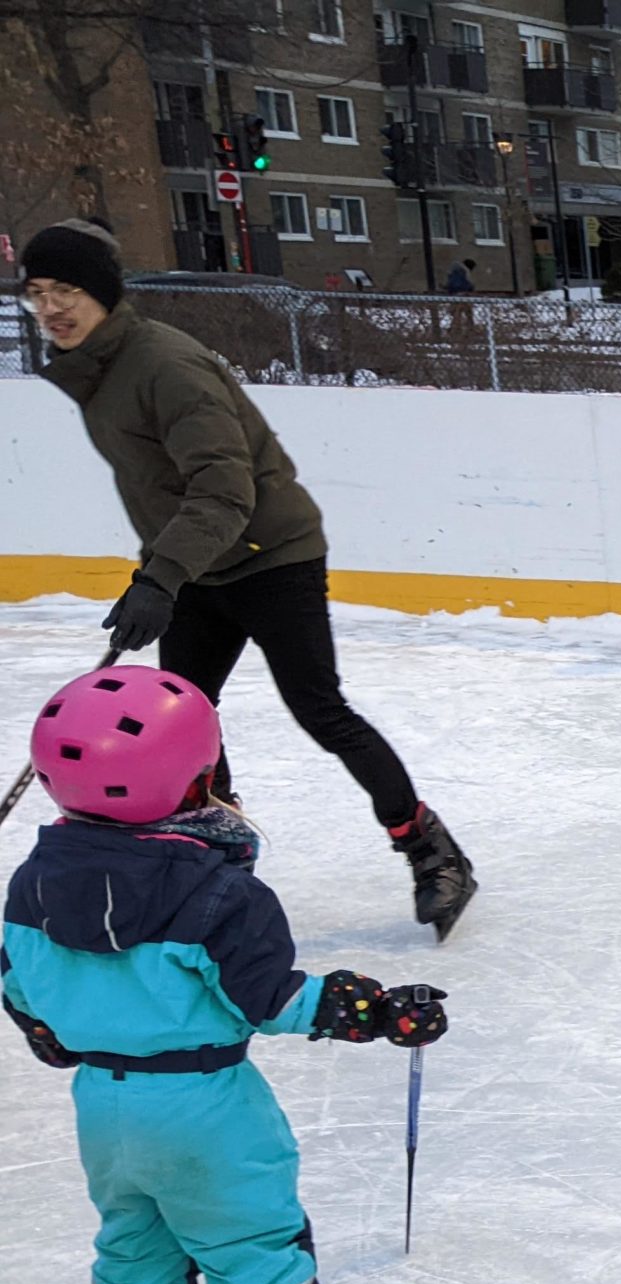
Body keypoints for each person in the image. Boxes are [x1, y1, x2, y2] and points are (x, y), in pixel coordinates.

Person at [3, 667, 448, 1284]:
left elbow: (22, 987)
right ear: (199, 776)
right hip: (206, 1108)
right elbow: (269, 999)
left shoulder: (32, 883)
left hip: (103, 1107)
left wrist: (51, 1035)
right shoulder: (219, 893)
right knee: (249, 1241)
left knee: (134, 1240)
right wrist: (378, 1010)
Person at [21, 221, 477, 940]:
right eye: (37, 293)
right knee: (183, 719)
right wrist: (160, 571)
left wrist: (161, 578)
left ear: (103, 293)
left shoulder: (165, 365)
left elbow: (223, 488)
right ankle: (214, 854)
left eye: (67, 291)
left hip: (272, 556)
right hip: (197, 564)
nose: (51, 308)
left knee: (319, 708)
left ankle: (430, 848)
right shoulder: (100, 371)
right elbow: (161, 486)